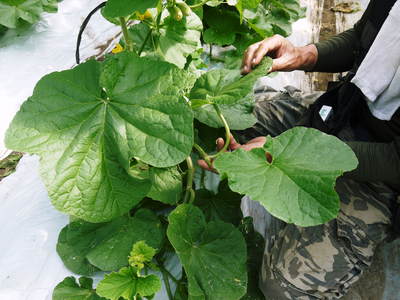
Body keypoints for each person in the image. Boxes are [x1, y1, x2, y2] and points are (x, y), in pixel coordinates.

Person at [199, 0, 400, 298]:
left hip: (385, 174)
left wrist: (294, 157)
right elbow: (363, 37)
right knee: (215, 115)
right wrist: (304, 55)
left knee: (282, 289)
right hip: (344, 110)